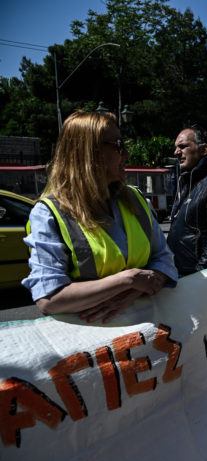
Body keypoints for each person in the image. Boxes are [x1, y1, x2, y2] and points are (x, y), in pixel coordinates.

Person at [23, 111, 177, 323]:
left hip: (148, 336)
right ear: (88, 153)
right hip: (92, 344)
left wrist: (135, 289)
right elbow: (49, 299)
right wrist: (127, 280)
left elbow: (165, 259)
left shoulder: (135, 198)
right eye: (118, 145)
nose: (127, 154)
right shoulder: (48, 213)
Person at [167, 125, 207, 276]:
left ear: (204, 150)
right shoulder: (187, 181)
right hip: (178, 274)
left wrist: (200, 275)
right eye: (176, 147)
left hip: (196, 277)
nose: (176, 152)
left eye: (183, 146)